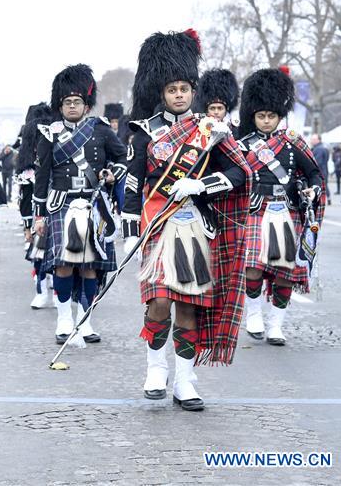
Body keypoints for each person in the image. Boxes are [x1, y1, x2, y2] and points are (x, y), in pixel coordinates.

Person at [122, 29, 250, 411]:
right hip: (157, 226)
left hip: (195, 226)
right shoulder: (144, 132)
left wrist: (201, 184)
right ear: (161, 92)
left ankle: (185, 381)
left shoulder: (211, 130)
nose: (178, 94)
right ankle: (155, 369)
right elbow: (133, 184)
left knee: (189, 307)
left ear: (193, 90)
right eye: (172, 89)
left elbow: (240, 173)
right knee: (160, 301)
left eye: (184, 88)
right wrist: (129, 232)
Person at [33, 65, 127, 345]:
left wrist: (112, 174)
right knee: (63, 264)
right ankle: (64, 320)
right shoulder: (49, 134)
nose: (72, 106)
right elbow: (42, 177)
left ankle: (85, 321)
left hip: (93, 204)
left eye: (77, 101)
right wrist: (37, 216)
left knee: (90, 266)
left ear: (86, 105)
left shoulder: (101, 130)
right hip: (61, 204)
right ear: (60, 105)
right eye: (67, 102)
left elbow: (123, 158)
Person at [238, 67, 325, 345]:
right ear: (253, 116)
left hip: (286, 211)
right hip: (256, 209)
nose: (266, 121)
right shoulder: (242, 145)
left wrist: (313, 189)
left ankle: (276, 325)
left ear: (279, 115)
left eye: (271, 116)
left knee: (285, 273)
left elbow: (314, 173)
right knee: (253, 266)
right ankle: (253, 315)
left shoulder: (293, 142)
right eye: (261, 116)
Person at [16, 102, 55, 309]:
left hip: (59, 207)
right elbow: (25, 198)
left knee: (60, 255)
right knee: (39, 256)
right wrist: (27, 226)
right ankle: (41, 291)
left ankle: (58, 293)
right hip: (38, 213)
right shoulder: (28, 168)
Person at [310, 134, 330, 204]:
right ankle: (328, 198)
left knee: (320, 187)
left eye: (313, 139)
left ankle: (321, 202)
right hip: (323, 171)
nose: (312, 141)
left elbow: (317, 162)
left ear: (318, 140)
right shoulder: (322, 147)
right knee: (324, 186)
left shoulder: (319, 149)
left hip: (320, 172)